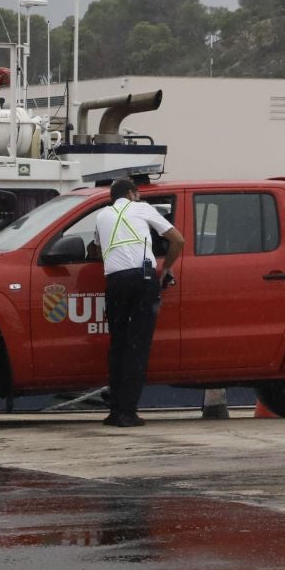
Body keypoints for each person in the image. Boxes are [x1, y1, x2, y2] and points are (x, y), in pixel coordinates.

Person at [99, 176, 185, 428]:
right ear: (132, 193)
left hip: (115, 282)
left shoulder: (101, 215)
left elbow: (96, 247)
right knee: (137, 347)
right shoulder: (142, 208)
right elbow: (178, 240)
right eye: (138, 194)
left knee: (118, 345)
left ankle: (115, 411)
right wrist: (166, 268)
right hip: (143, 278)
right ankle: (128, 412)